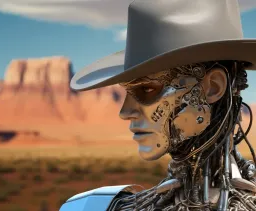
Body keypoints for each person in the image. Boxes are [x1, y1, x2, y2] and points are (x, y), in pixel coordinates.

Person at [60, 0, 256, 210]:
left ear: (213, 88)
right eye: (126, 92)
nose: (125, 112)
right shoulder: (94, 206)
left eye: (146, 89)